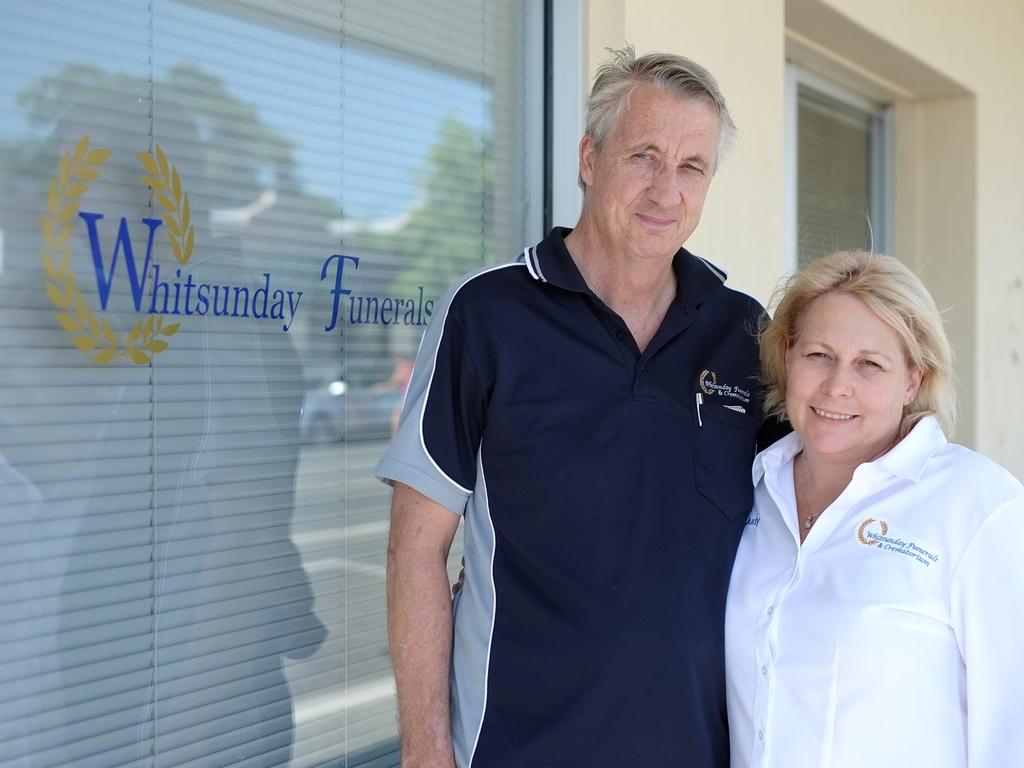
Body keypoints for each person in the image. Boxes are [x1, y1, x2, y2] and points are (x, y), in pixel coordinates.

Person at [378, 47, 766, 767]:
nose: (665, 190)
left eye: (692, 167)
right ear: (590, 158)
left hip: (700, 749)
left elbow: (812, 513)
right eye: (644, 155)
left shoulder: (743, 332)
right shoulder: (489, 315)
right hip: (514, 747)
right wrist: (425, 749)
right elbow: (416, 550)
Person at [725, 250, 1024, 768]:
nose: (838, 386)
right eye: (819, 355)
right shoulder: (749, 492)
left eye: (870, 364)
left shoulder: (977, 507)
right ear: (788, 356)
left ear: (913, 379)